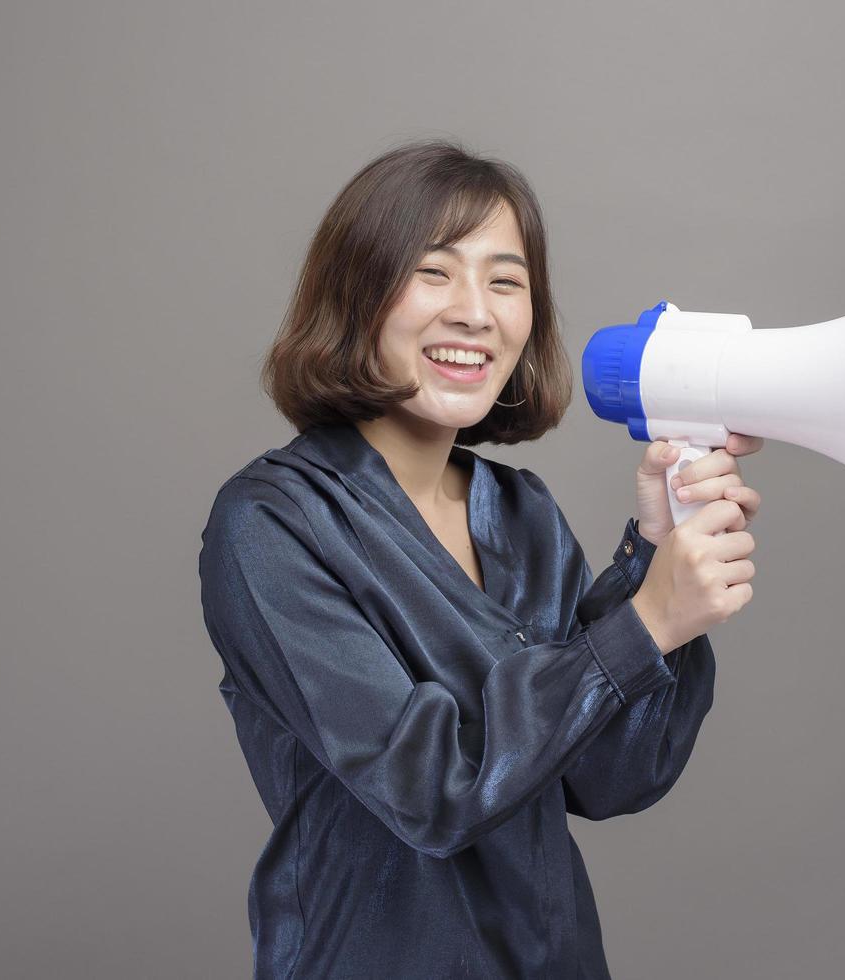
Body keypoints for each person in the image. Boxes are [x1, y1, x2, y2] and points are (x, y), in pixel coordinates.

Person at [197, 139, 761, 979]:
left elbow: (610, 778)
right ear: (356, 296)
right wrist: (645, 623)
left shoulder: (521, 513)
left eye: (506, 281)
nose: (475, 313)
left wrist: (654, 551)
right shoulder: (273, 524)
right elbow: (429, 790)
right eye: (434, 273)